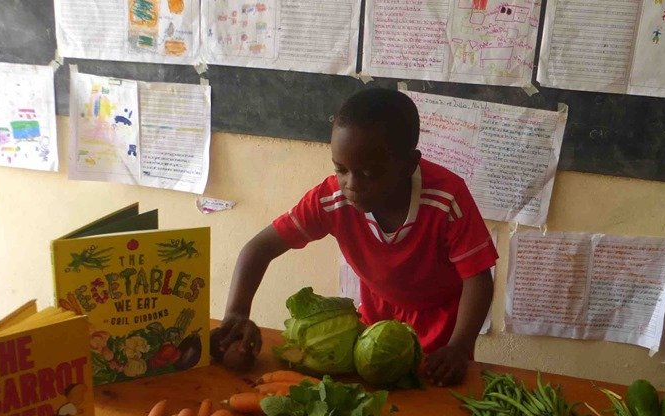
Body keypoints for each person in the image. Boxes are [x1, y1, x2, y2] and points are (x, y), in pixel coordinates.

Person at [211, 88, 498, 386]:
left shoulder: (446, 198)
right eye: (341, 169)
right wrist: (236, 312)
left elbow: (477, 278)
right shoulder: (331, 199)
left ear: (409, 165)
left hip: (443, 329)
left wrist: (460, 347)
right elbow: (258, 249)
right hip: (373, 324)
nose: (352, 185)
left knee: (432, 400)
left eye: (369, 172)